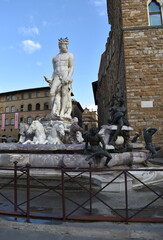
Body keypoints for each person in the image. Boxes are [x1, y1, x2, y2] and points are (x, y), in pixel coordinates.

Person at [44, 37, 74, 118]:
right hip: (57, 75)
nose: (65, 46)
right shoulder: (54, 58)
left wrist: (68, 77)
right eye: (63, 45)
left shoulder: (70, 55)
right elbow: (54, 70)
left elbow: (71, 67)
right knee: (52, 92)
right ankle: (53, 111)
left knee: (64, 93)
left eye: (66, 45)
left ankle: (62, 112)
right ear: (59, 46)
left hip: (65, 74)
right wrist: (51, 79)